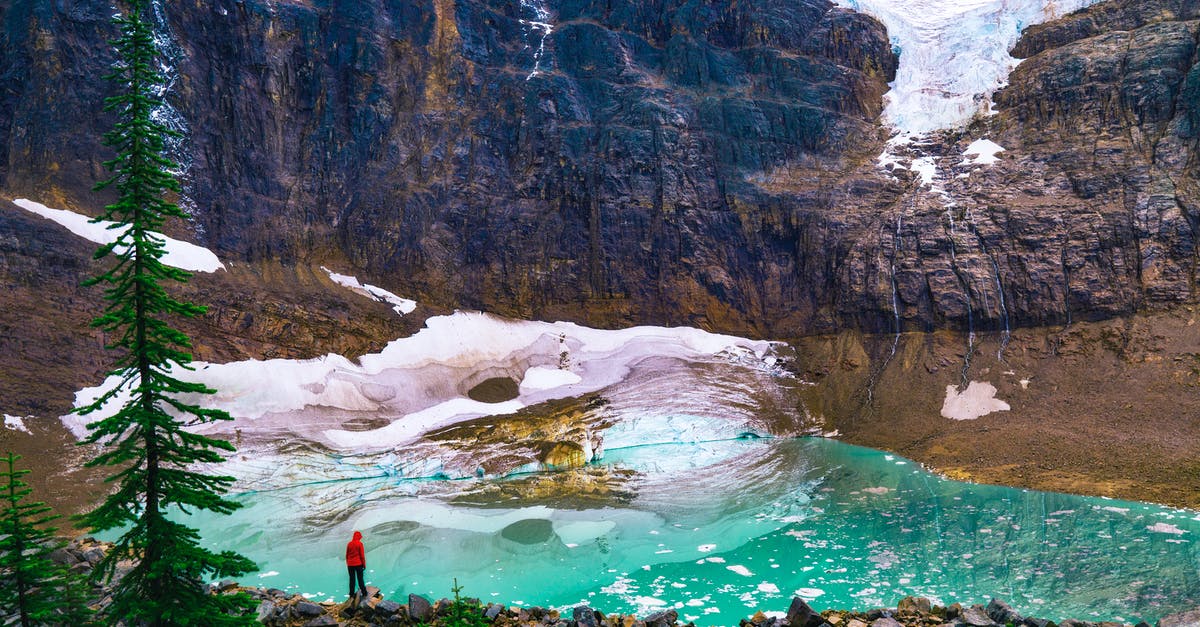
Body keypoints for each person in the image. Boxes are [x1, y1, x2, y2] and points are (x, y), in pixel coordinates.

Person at [345, 530, 368, 598]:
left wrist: (348, 563)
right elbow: (362, 556)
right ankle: (364, 593)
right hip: (358, 564)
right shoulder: (360, 544)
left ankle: (351, 594)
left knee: (352, 579)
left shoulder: (349, 544)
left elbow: (347, 555)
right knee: (360, 579)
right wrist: (364, 565)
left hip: (350, 565)